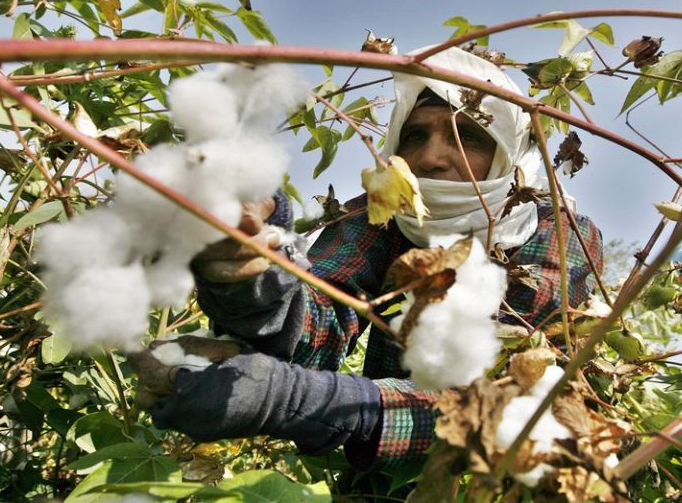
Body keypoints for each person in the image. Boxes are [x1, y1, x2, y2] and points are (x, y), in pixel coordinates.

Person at [131, 45, 603, 472]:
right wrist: (254, 267)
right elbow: (321, 321)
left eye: (468, 137)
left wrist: (305, 402)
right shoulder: (381, 215)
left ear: (510, 153)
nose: (431, 158)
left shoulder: (561, 235)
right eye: (414, 136)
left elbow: (508, 407)